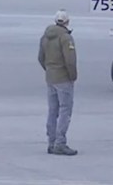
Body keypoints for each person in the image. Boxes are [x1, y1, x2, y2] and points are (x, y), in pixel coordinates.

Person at [37, 9, 78, 155]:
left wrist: (49, 70)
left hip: (50, 78)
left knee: (52, 111)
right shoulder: (66, 38)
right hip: (63, 79)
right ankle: (60, 142)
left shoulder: (45, 36)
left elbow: (40, 58)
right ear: (67, 22)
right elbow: (70, 61)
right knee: (65, 110)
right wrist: (72, 76)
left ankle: (51, 142)